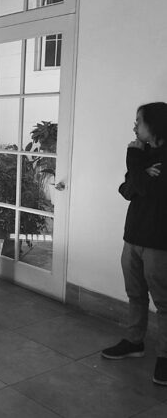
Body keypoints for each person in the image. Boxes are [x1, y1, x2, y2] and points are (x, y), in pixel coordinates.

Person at [101, 102, 167, 385]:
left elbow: (149, 189)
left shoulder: (146, 155)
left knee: (164, 302)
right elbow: (127, 189)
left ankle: (165, 356)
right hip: (133, 238)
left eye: (139, 121)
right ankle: (134, 341)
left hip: (159, 242)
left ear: (155, 124)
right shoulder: (145, 156)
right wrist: (141, 175)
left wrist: (134, 161)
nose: (134, 126)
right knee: (135, 294)